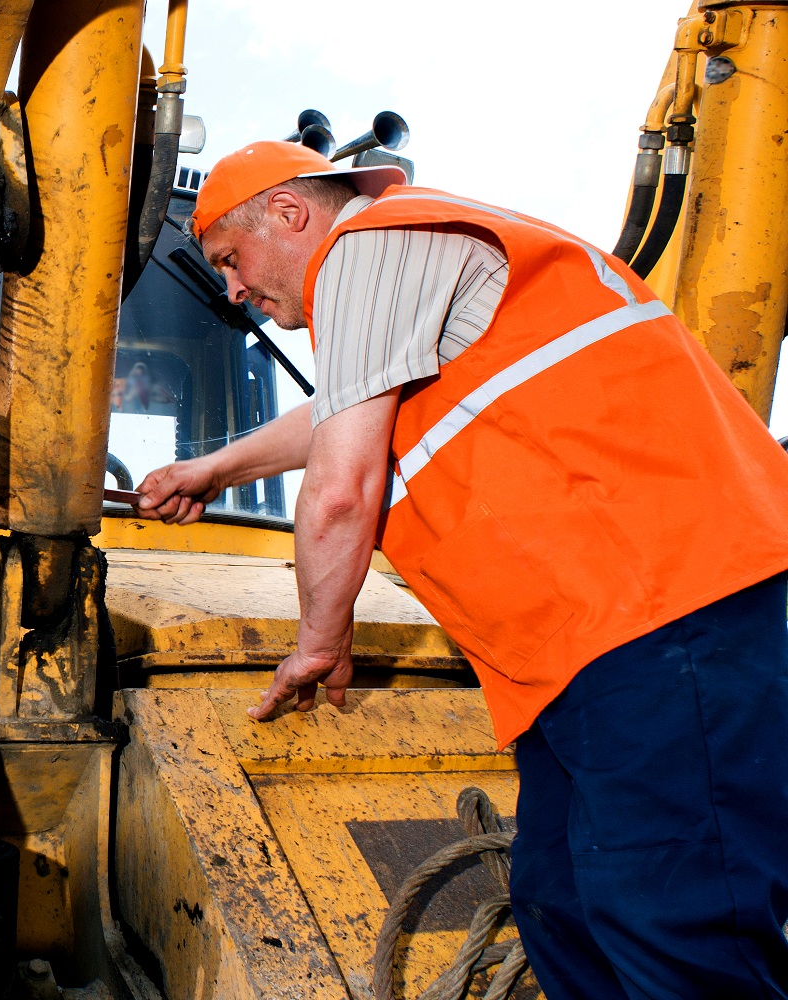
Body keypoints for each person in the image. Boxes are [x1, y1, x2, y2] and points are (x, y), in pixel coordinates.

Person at [134, 140, 788, 999]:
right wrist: (214, 471)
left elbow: (339, 490)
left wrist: (321, 638)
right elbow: (343, 408)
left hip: (657, 612)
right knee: (563, 904)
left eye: (229, 260)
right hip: (584, 642)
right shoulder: (399, 270)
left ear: (291, 213)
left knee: (672, 919)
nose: (232, 290)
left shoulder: (369, 247)